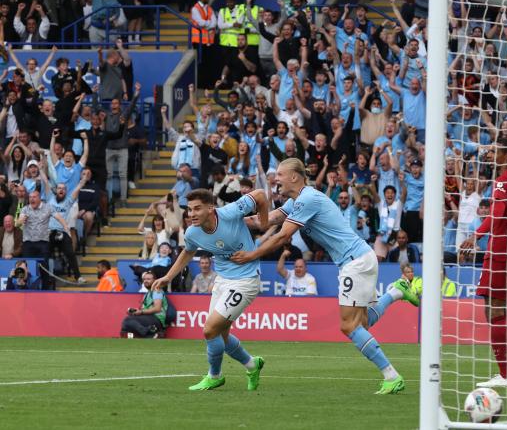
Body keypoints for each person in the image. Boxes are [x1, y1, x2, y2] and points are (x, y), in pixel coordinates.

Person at [230, 158, 418, 394]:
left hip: (355, 262)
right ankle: (397, 290)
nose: (275, 179)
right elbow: (261, 221)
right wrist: (226, 217)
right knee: (363, 322)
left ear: (294, 177)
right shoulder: (295, 202)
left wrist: (250, 255)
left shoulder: (307, 199)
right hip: (359, 258)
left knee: (349, 327)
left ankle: (391, 375)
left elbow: (281, 236)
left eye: (279, 174)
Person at [151, 188, 269, 392]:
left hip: (246, 280)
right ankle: (252, 364)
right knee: (220, 335)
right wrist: (168, 276)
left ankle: (214, 376)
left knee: (209, 330)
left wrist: (265, 223)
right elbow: (188, 252)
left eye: (197, 209)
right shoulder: (192, 232)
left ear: (211, 208)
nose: (192, 214)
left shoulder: (231, 212)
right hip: (222, 280)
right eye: (189, 209)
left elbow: (260, 195)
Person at [460, 141, 507, 388]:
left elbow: (498, 212)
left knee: (492, 310)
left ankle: (506, 374)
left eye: (494, 150)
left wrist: (476, 235)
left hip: (501, 249)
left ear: (505, 154)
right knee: (499, 308)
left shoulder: (502, 181)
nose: (490, 154)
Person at [17, 190, 68, 290]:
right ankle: (25, 289)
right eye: (30, 197)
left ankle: (45, 290)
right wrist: (20, 221)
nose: (32, 199)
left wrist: (66, 226)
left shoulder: (48, 207)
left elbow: (58, 217)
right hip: (28, 243)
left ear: (39, 198)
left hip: (42, 243)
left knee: (44, 268)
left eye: (34, 197)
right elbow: (18, 223)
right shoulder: (25, 209)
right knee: (26, 267)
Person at [121, 271, 168, 338]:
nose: (146, 281)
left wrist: (141, 312)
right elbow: (144, 309)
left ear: (155, 281)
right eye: (144, 279)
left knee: (127, 320)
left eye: (148, 279)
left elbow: (157, 308)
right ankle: (152, 334)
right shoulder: (147, 293)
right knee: (125, 327)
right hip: (147, 317)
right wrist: (136, 311)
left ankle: (145, 332)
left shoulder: (157, 291)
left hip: (156, 319)